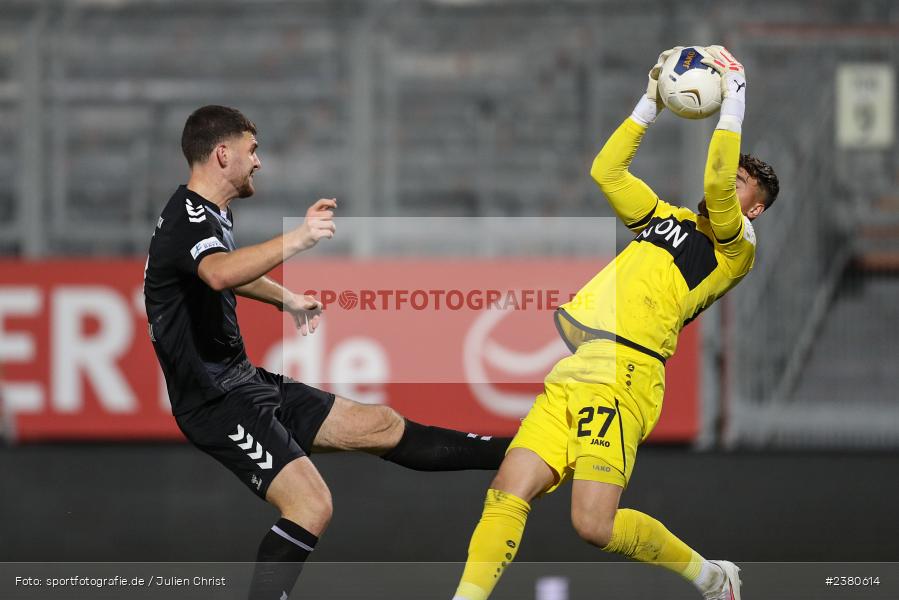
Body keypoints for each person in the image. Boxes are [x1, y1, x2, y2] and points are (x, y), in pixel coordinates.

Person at [143, 105, 511, 600]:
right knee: (310, 505)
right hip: (213, 401)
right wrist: (298, 238)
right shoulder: (186, 217)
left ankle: (518, 451)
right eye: (253, 150)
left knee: (379, 423)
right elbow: (216, 273)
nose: (259, 162)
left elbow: (225, 270)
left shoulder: (210, 214)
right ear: (222, 153)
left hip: (244, 382)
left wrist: (286, 298)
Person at [450, 46, 779, 600]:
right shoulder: (666, 219)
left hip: (627, 373)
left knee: (593, 526)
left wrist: (733, 103)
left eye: (747, 183)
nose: (735, 181)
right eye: (740, 173)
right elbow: (606, 171)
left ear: (756, 208)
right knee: (507, 489)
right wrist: (649, 103)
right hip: (579, 367)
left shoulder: (735, 248)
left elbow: (719, 185)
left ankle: (709, 576)